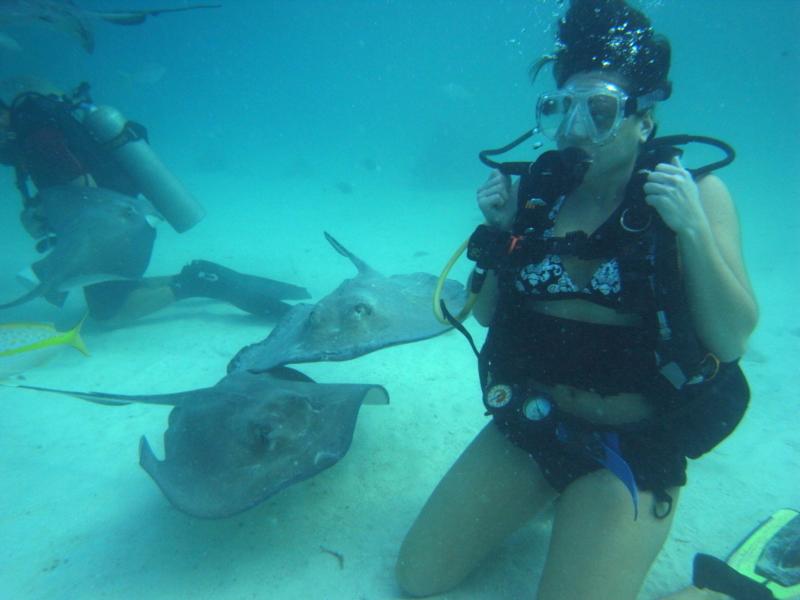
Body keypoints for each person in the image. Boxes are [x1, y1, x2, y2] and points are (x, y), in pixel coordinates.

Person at [395, 1, 760, 599]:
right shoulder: (538, 195)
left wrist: (693, 231)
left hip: (633, 444)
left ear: (644, 120)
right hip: (536, 423)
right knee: (417, 576)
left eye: (600, 111)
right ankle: (548, 501)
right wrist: (502, 235)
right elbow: (485, 316)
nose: (575, 130)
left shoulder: (694, 194)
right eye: (561, 109)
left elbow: (731, 339)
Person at [0, 76, 309, 323]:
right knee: (114, 288)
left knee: (108, 313)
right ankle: (199, 278)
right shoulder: (42, 120)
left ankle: (198, 283)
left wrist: (56, 232)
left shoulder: (37, 134)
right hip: (127, 214)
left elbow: (85, 194)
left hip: (113, 225)